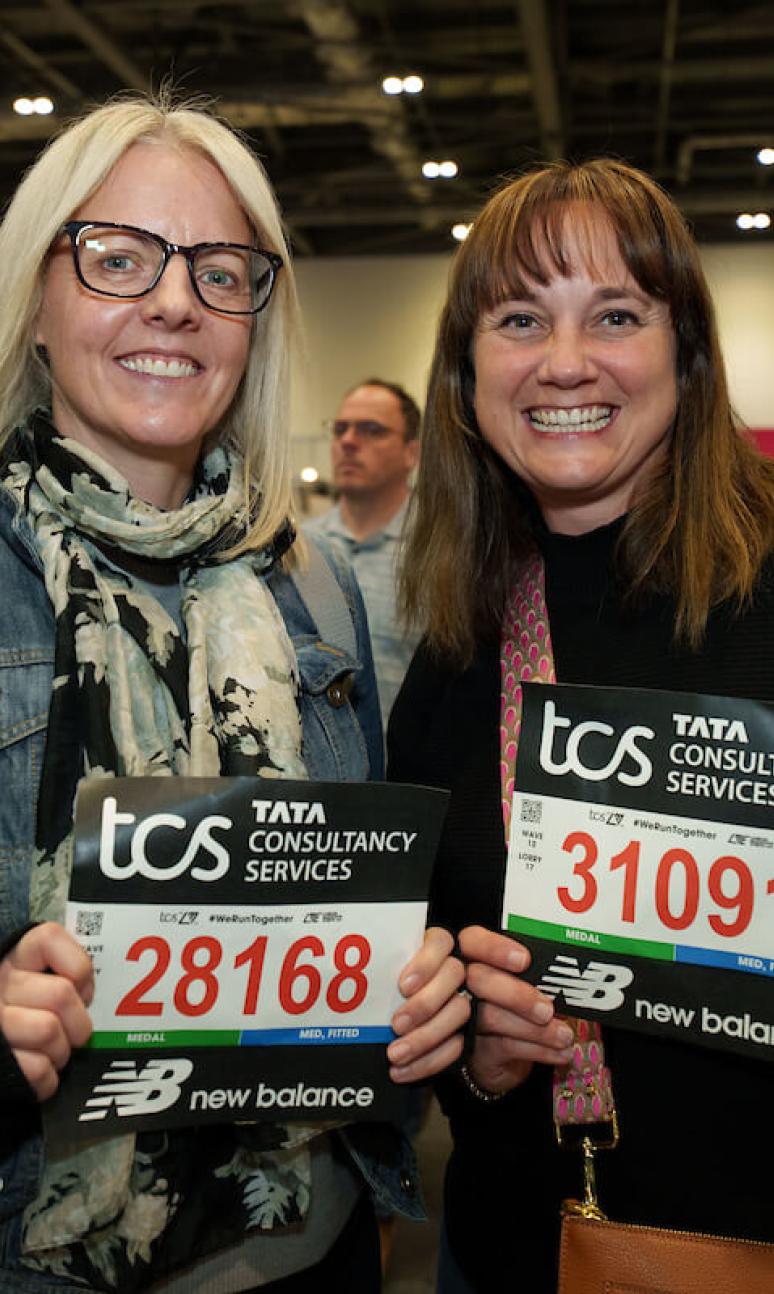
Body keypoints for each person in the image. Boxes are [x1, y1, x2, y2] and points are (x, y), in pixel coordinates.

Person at [0, 94, 471, 1293]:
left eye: (220, 271)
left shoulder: (314, 584)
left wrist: (411, 988)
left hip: (309, 1245)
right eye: (117, 257)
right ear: (36, 301)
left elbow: (360, 904)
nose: (173, 302)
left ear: (256, 320)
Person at [387, 158, 774, 1293]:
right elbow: (417, 967)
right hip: (520, 1243)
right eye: (520, 319)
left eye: (615, 314)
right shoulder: (456, 646)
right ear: (465, 375)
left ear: (685, 354)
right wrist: (480, 1052)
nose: (566, 363)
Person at [306, 380, 421, 724]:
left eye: (371, 430)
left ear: (410, 453)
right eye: (340, 429)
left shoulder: (440, 555)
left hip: (404, 769)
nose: (348, 442)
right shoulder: (300, 551)